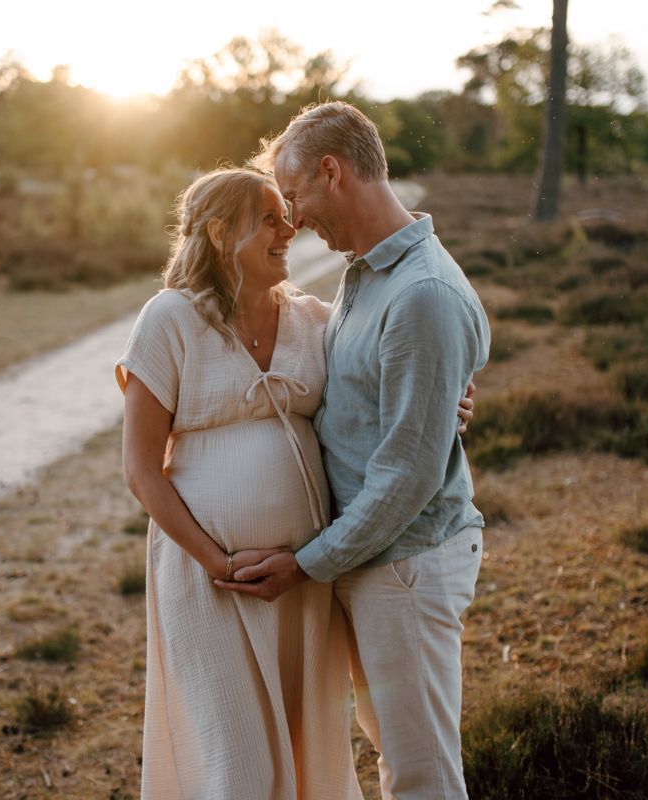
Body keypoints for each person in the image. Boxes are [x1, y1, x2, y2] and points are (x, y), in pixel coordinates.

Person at [117, 166, 474, 799]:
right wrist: (219, 562)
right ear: (220, 234)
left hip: (304, 581)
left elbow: (390, 373)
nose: (291, 229)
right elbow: (142, 470)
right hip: (212, 581)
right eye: (270, 219)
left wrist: (452, 398)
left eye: (288, 215)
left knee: (306, 746)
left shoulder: (314, 319)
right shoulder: (169, 318)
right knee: (237, 761)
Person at [217, 101, 491, 800]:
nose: (294, 219)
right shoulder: (366, 274)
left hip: (405, 567)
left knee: (422, 772)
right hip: (369, 560)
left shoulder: (423, 294)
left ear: (332, 172)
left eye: (295, 194)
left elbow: (408, 476)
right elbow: (362, 397)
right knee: (395, 752)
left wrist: (307, 563)